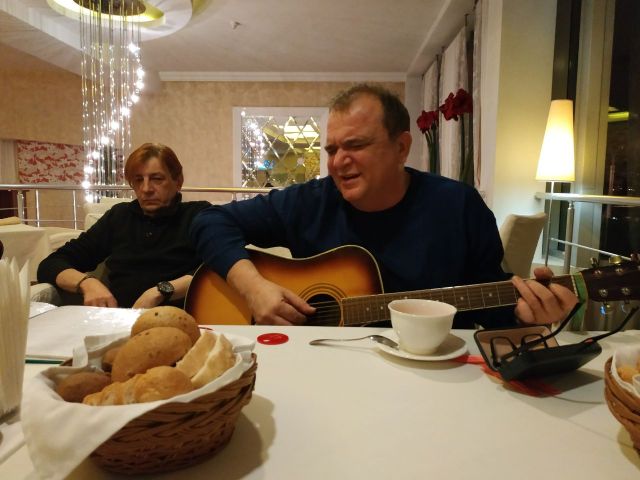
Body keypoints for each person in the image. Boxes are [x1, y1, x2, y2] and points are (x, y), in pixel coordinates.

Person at [190, 84, 577, 327]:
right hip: (322, 369)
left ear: (401, 147)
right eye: (332, 149)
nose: (338, 161)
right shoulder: (310, 201)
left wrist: (526, 316)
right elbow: (208, 221)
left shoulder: (459, 206)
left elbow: (489, 310)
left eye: (355, 145)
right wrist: (254, 289)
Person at [38, 143, 210, 309]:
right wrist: (88, 283)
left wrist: (161, 291)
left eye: (157, 179)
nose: (146, 189)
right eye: (138, 180)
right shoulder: (119, 216)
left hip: (180, 319)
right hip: (120, 319)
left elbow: (214, 268)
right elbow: (51, 264)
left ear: (178, 181)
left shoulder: (199, 215)